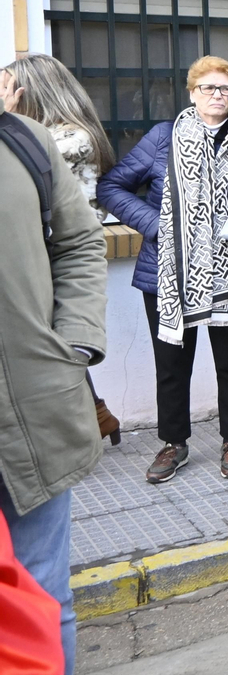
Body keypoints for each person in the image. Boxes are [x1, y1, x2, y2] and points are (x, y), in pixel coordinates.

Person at [97, 55, 228, 485]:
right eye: (208, 88)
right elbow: (111, 186)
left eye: (226, 89)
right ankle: (174, 443)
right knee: (172, 363)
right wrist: (156, 227)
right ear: (192, 92)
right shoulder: (163, 137)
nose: (217, 96)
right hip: (169, 271)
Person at [0, 104, 109, 675]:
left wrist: (75, 343)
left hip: (34, 404)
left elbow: (80, 241)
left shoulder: (24, 140)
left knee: (44, 597)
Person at [3, 54, 121, 445]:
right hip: (44, 253)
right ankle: (99, 414)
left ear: (29, 92)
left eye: (7, 87)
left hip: (58, 259)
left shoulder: (67, 139)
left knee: (54, 348)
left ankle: (91, 419)